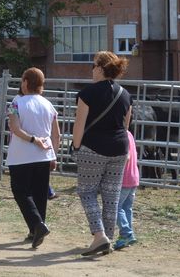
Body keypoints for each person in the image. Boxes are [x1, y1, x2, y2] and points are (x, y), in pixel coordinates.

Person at [73, 51, 132, 256]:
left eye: (93, 66)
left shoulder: (86, 94)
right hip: (120, 149)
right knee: (111, 196)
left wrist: (75, 147)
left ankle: (99, 236)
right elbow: (125, 126)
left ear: (100, 67)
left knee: (87, 192)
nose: (91, 70)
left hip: (93, 149)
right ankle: (108, 238)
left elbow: (79, 126)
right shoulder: (125, 94)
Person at [6, 67, 60, 249]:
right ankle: (36, 229)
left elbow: (14, 127)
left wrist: (32, 139)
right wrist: (54, 154)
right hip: (44, 155)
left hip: (21, 156)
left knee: (20, 191)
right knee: (39, 193)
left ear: (26, 82)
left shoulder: (17, 102)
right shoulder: (48, 104)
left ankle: (37, 225)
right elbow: (56, 135)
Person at [114, 130, 139, 250]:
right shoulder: (129, 134)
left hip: (124, 178)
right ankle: (126, 237)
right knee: (126, 208)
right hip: (134, 177)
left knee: (115, 207)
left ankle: (126, 233)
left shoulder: (120, 135)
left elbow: (126, 157)